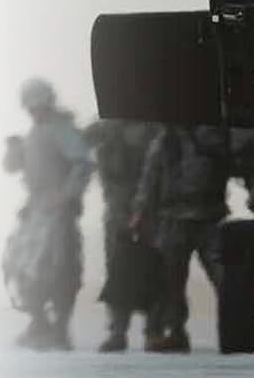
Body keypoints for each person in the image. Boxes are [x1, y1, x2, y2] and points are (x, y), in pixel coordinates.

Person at [2, 78, 93, 351]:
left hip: (57, 214)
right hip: (36, 210)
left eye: (36, 105)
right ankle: (39, 322)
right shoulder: (37, 131)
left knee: (59, 268)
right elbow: (14, 168)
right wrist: (14, 151)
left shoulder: (61, 129)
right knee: (21, 266)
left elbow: (83, 164)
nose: (33, 110)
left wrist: (65, 196)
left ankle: (59, 328)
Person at [130, 124, 236, 352]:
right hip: (174, 217)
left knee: (226, 277)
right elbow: (150, 180)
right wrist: (140, 213)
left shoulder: (213, 137)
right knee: (170, 280)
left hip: (209, 216)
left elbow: (233, 163)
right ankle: (175, 330)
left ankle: (233, 330)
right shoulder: (166, 140)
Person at [82, 118, 160, 352]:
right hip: (118, 210)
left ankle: (153, 330)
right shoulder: (108, 129)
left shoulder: (156, 128)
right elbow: (79, 145)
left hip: (152, 210)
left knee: (154, 270)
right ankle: (119, 330)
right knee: (117, 271)